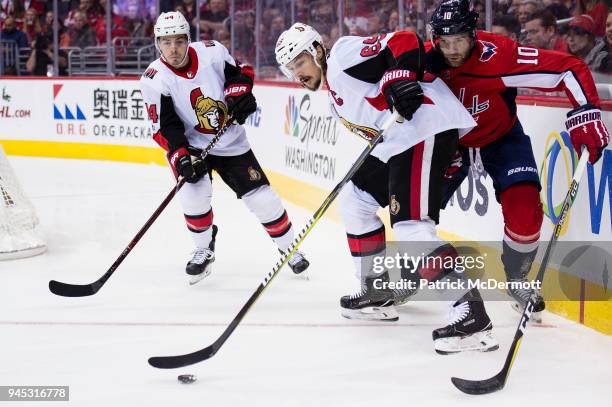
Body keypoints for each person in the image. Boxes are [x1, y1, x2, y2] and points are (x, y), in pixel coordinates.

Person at [276, 23, 499, 354]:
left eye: (300, 62)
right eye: (290, 69)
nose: (297, 73)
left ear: (318, 50)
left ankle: (471, 313)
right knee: (354, 199)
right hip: (400, 141)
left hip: (426, 128)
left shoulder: (340, 57)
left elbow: (403, 39)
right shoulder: (334, 99)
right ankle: (375, 289)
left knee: (411, 228)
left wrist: (401, 78)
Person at [426, 0, 609, 321]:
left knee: (525, 209)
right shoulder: (423, 59)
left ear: (474, 35)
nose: (452, 50)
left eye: (460, 41)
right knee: (417, 216)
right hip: (446, 140)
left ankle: (516, 279)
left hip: (501, 136)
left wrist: (585, 111)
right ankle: (409, 273)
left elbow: (567, 68)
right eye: (445, 42)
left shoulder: (501, 54)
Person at [140, 11, 309, 285]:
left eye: (179, 41)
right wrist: (181, 155)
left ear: (188, 40)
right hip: (193, 147)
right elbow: (165, 126)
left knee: (263, 199)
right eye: (166, 42)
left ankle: (290, 247)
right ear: (157, 43)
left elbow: (241, 74)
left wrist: (239, 93)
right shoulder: (154, 79)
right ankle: (203, 249)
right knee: (194, 195)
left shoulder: (213, 53)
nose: (173, 49)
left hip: (231, 142)